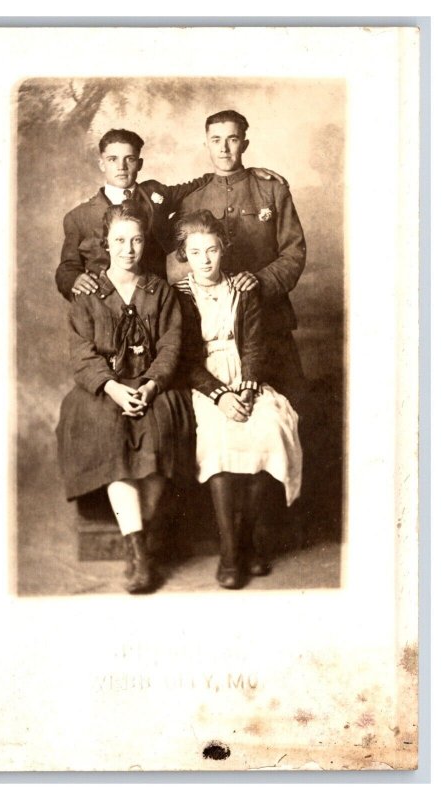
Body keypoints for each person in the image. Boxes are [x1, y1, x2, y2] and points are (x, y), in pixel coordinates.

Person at [56, 201, 194, 594]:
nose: (129, 249)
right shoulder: (87, 293)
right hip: (104, 387)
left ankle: (141, 537)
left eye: (136, 240)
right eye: (120, 240)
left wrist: (150, 385)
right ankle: (138, 552)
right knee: (109, 429)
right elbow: (81, 353)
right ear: (106, 244)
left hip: (152, 383)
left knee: (162, 424)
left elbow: (171, 346)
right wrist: (114, 388)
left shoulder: (161, 292)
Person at [174, 210, 302, 589]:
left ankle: (252, 542)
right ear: (184, 254)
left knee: (268, 428)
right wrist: (220, 396)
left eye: (212, 250)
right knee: (218, 440)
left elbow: (255, 346)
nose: (205, 259)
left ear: (223, 250)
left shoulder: (243, 289)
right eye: (195, 252)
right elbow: (184, 359)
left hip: (246, 378)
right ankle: (230, 552)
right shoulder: (178, 295)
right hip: (204, 385)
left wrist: (246, 388)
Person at [55, 127, 285, 301]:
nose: (122, 167)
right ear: (101, 163)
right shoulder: (79, 217)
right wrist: (74, 279)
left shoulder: (155, 193)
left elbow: (201, 182)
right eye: (112, 159)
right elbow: (67, 267)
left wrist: (246, 173)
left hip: (157, 303)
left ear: (140, 163)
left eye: (130, 159)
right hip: (107, 304)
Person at [173, 109, 307, 406]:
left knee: (292, 408)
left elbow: (294, 252)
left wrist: (259, 281)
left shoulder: (271, 189)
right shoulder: (192, 197)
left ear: (244, 143)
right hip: (212, 331)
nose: (223, 148)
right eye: (216, 140)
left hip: (270, 320)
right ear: (205, 144)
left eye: (232, 139)